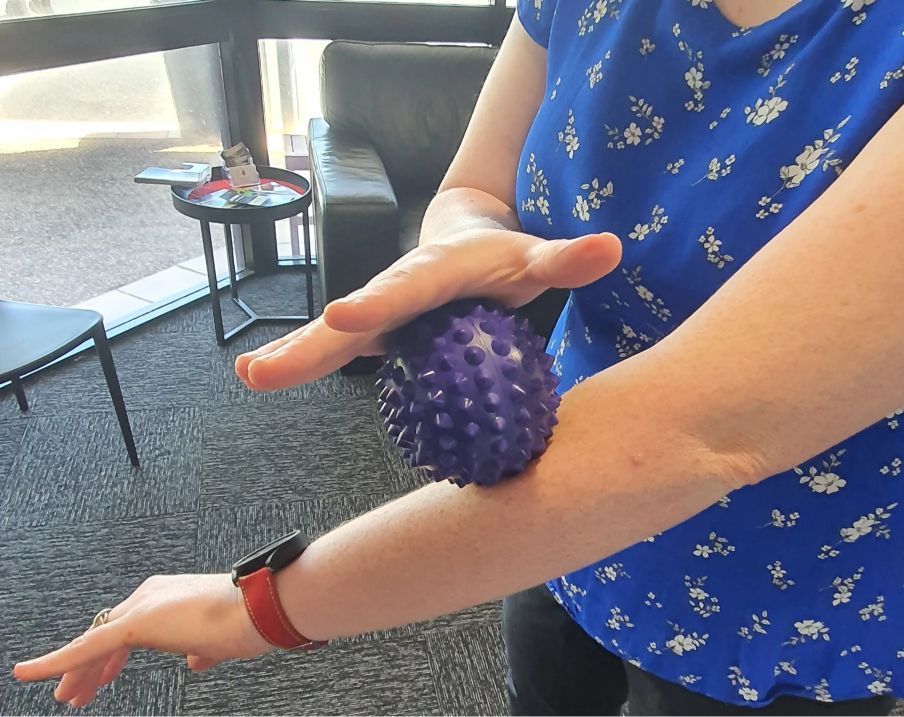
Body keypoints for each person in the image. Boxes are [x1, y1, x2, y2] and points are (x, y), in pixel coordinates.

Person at [12, 0, 904, 713]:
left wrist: (247, 606)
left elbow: (698, 431)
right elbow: (475, 184)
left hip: (788, 586)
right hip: (543, 502)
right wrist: (469, 245)